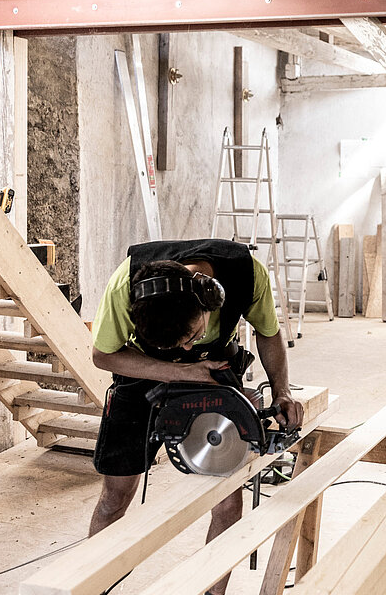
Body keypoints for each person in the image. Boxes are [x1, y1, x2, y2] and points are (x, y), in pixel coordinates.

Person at [88, 238, 303, 595]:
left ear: (209, 299)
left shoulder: (247, 276)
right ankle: (91, 586)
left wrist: (281, 391)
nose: (188, 349)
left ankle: (211, 592)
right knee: (115, 496)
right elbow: (103, 355)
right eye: (180, 344)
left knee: (227, 498)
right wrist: (185, 371)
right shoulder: (125, 284)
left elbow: (269, 333)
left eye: (190, 336)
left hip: (215, 369)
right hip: (140, 371)